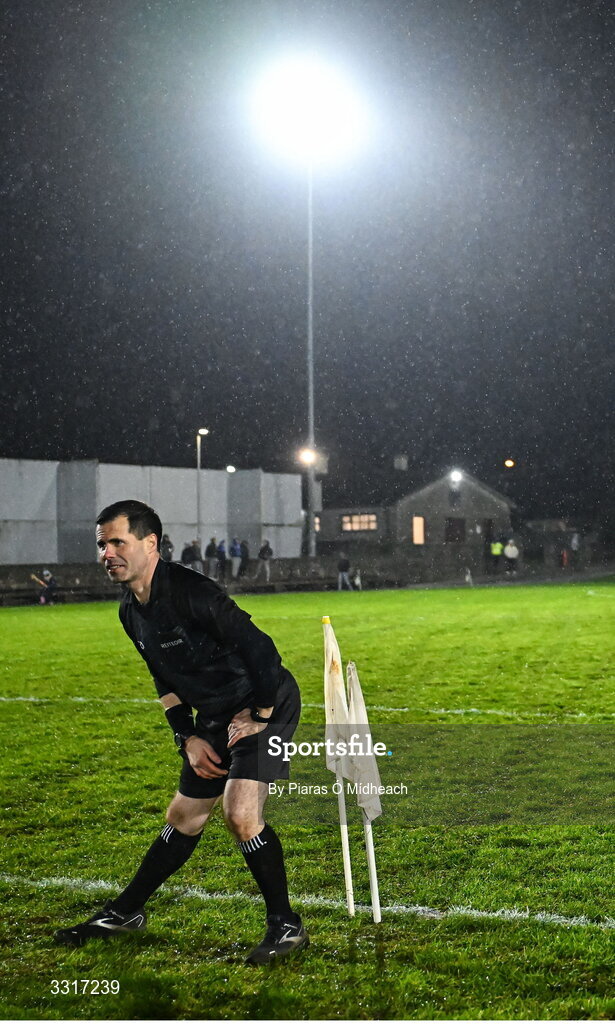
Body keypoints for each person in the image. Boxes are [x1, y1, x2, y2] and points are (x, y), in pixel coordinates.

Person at [54, 500, 308, 964]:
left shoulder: (192, 592)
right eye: (101, 544)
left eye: (117, 542)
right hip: (213, 714)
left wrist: (263, 715)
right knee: (185, 816)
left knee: (240, 815)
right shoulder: (131, 611)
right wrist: (186, 737)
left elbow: (262, 649)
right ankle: (126, 913)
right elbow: (163, 679)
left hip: (262, 701)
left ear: (150, 544)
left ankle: (286, 926)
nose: (107, 553)